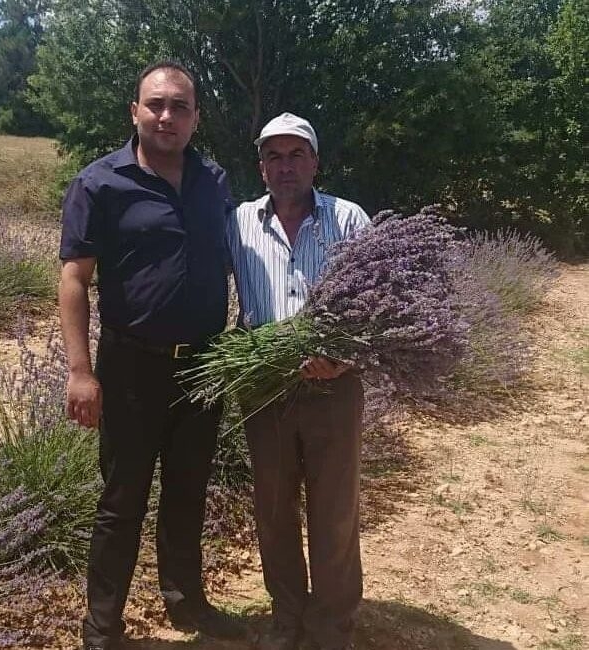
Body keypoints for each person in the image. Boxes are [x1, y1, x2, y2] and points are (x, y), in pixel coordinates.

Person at [58, 61, 247, 650]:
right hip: (131, 365)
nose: (167, 116)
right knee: (122, 499)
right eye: (156, 104)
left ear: (196, 118)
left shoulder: (213, 181)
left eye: (180, 107)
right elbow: (74, 280)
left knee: (189, 490)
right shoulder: (99, 183)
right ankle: (103, 626)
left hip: (203, 364)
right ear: (135, 111)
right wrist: (80, 371)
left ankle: (186, 604)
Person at [226, 112, 371, 650]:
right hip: (263, 386)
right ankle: (287, 616)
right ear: (261, 166)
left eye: (295, 155)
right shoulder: (238, 220)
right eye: (273, 156)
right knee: (273, 506)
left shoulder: (348, 218)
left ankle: (331, 626)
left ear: (315, 161)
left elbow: (377, 305)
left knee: (334, 510)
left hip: (334, 386)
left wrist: (343, 356)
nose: (284, 166)